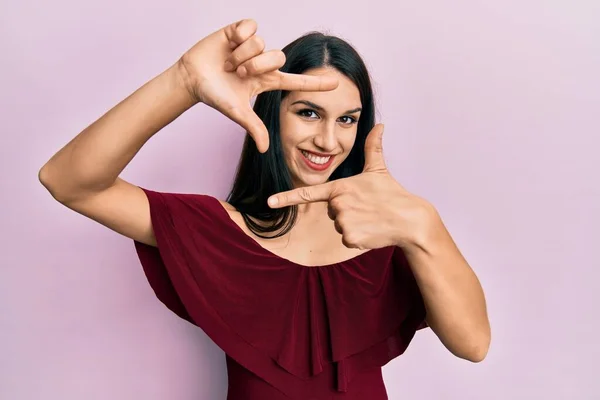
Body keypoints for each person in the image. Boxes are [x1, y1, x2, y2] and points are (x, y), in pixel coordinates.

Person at [39, 18, 490, 400]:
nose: (328, 141)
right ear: (273, 112)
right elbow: (68, 181)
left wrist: (423, 226)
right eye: (309, 113)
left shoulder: (392, 232)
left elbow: (473, 344)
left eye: (347, 119)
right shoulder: (220, 232)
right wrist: (182, 81)